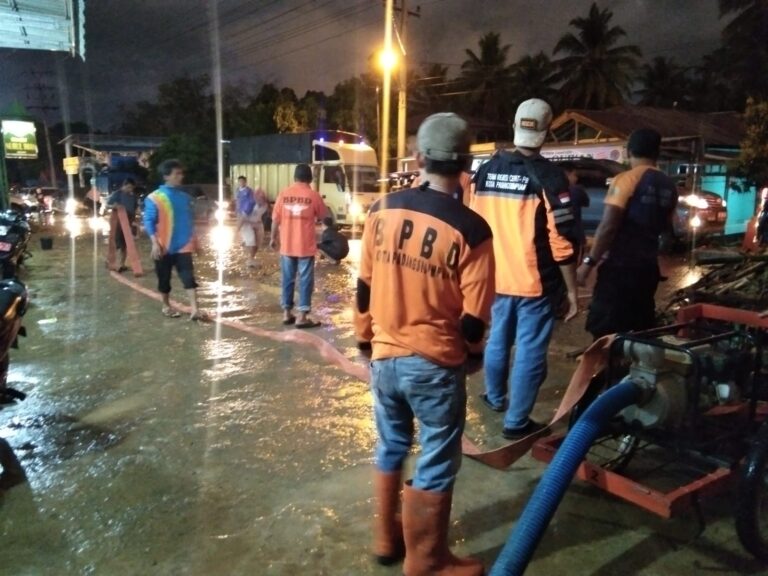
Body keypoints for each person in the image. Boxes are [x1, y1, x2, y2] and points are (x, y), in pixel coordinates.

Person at [356, 113, 495, 575]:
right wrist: (471, 359)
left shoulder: (380, 210)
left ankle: (384, 539)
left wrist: (364, 342)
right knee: (437, 454)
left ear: (419, 158)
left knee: (391, 442)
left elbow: (363, 288)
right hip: (434, 363)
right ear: (463, 167)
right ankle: (428, 562)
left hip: (384, 356)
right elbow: (475, 318)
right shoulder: (472, 229)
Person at [471, 98, 579, 441]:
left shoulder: (485, 172)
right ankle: (516, 421)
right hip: (536, 283)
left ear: (515, 125)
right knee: (531, 349)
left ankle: (494, 397)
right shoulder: (549, 177)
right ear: (547, 132)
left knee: (497, 338)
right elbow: (561, 240)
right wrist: (573, 291)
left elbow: (474, 224)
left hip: (496, 277)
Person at [577, 128, 678, 339]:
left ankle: (606, 371)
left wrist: (588, 263)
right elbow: (667, 230)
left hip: (619, 270)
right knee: (638, 334)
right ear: (656, 153)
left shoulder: (626, 179)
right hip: (647, 270)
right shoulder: (669, 185)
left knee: (605, 335)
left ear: (628, 151)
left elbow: (608, 226)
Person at [143, 159, 205, 321]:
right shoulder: (154, 198)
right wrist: (155, 243)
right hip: (163, 246)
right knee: (164, 279)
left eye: (181, 173)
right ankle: (166, 305)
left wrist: (196, 244)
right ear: (166, 176)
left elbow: (189, 222)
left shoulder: (185, 198)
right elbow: (148, 221)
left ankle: (195, 309)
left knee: (189, 278)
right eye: (177, 174)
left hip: (184, 246)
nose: (181, 176)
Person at [270, 163, 326, 328]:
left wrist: (273, 238)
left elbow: (275, 219)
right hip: (305, 247)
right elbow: (324, 216)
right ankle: (302, 316)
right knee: (305, 280)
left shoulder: (283, 194)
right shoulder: (313, 195)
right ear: (310, 178)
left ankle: (286, 313)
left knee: (287, 279)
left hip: (287, 245)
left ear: (294, 177)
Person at [107, 178, 139, 272]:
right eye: (128, 187)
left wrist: (135, 221)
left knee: (126, 243)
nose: (130, 190)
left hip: (129, 221)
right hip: (118, 221)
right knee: (117, 242)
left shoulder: (133, 197)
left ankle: (122, 264)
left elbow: (136, 209)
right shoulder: (117, 194)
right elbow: (107, 205)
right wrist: (115, 206)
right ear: (124, 186)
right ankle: (112, 262)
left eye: (132, 188)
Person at [235, 175, 268, 268]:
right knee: (251, 241)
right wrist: (237, 230)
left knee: (258, 243)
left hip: (257, 223)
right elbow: (242, 216)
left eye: (262, 195)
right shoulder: (250, 203)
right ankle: (250, 259)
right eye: (259, 195)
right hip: (247, 223)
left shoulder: (265, 205)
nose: (261, 197)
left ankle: (251, 257)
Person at [561, 163, 590, 262]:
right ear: (567, 174)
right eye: (574, 175)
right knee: (575, 265)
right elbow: (586, 203)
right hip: (575, 235)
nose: (576, 178)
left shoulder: (550, 190)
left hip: (558, 236)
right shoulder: (577, 190)